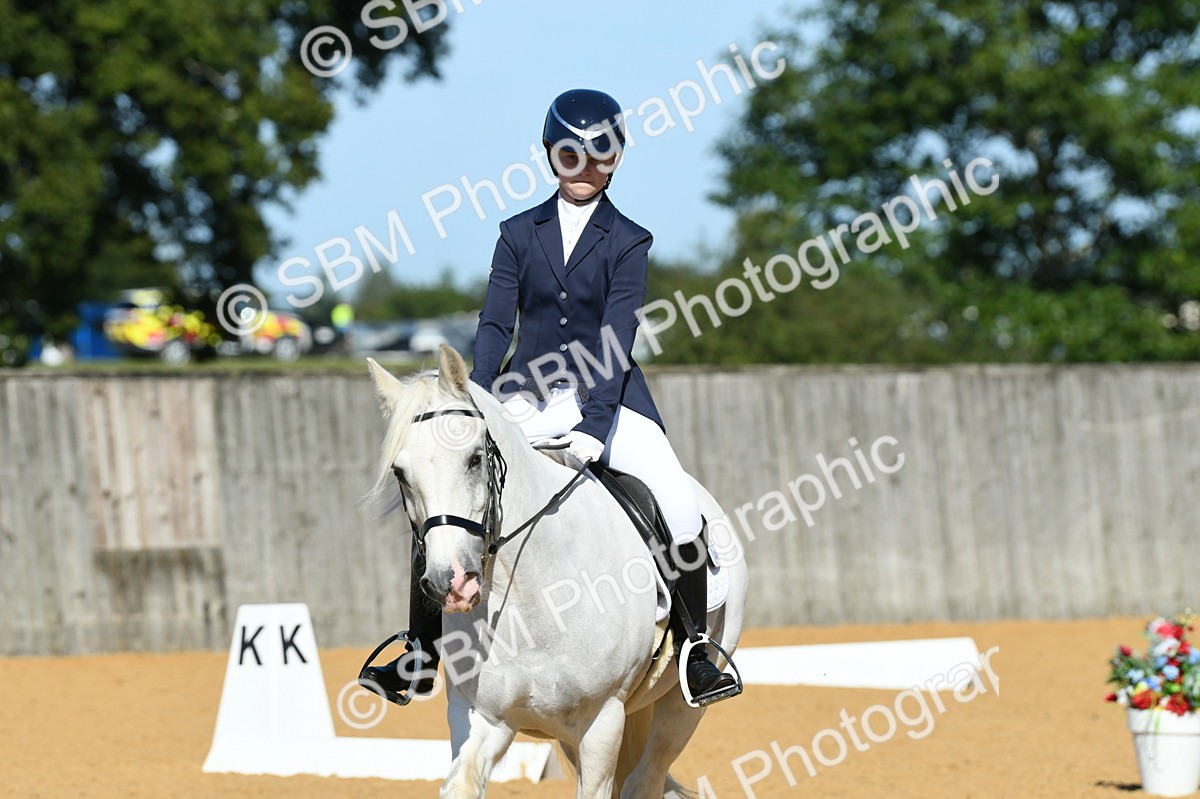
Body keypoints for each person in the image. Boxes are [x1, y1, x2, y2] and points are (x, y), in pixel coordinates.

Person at [361, 89, 738, 706]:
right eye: (572, 155)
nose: (586, 169)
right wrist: (473, 401)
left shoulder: (629, 240)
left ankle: (696, 648)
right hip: (521, 398)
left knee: (677, 501)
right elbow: (492, 324)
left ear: (617, 159)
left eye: (601, 156)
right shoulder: (517, 234)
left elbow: (617, 336)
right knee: (448, 497)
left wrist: (595, 422)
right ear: (549, 154)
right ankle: (422, 650)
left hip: (608, 401)